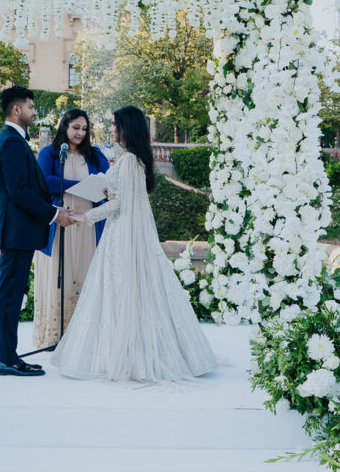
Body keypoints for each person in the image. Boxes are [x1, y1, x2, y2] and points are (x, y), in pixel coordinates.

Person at [50, 105, 216, 383]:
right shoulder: (136, 160)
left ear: (126, 128)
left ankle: (125, 355)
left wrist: (83, 216)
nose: (112, 129)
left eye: (115, 125)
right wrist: (109, 191)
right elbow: (124, 197)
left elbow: (118, 206)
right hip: (130, 233)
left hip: (120, 234)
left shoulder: (127, 161)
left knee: (117, 291)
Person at [0, 86, 75, 377]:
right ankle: (6, 358)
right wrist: (55, 214)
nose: (33, 111)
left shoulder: (12, 140)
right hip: (17, 231)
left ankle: (4, 353)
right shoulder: (12, 143)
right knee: (10, 295)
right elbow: (19, 192)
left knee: (10, 294)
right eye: (29, 106)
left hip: (17, 230)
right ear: (17, 110)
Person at [32, 110, 111, 348]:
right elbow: (45, 181)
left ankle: (84, 339)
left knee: (87, 272)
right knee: (59, 273)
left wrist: (76, 186)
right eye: (76, 127)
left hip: (87, 223)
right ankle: (56, 336)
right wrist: (82, 185)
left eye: (84, 129)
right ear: (64, 126)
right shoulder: (50, 153)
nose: (80, 133)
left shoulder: (95, 155)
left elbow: (108, 182)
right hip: (59, 222)